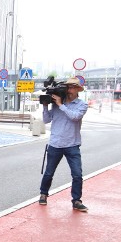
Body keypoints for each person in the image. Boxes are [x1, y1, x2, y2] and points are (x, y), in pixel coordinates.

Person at [39, 76, 89, 212]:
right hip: (55, 143)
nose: (69, 89)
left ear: (78, 89)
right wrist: (45, 106)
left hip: (72, 144)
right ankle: (43, 194)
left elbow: (75, 117)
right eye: (68, 86)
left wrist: (61, 105)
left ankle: (76, 200)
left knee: (77, 174)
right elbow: (46, 120)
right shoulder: (56, 103)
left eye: (72, 87)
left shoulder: (82, 105)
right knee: (49, 172)